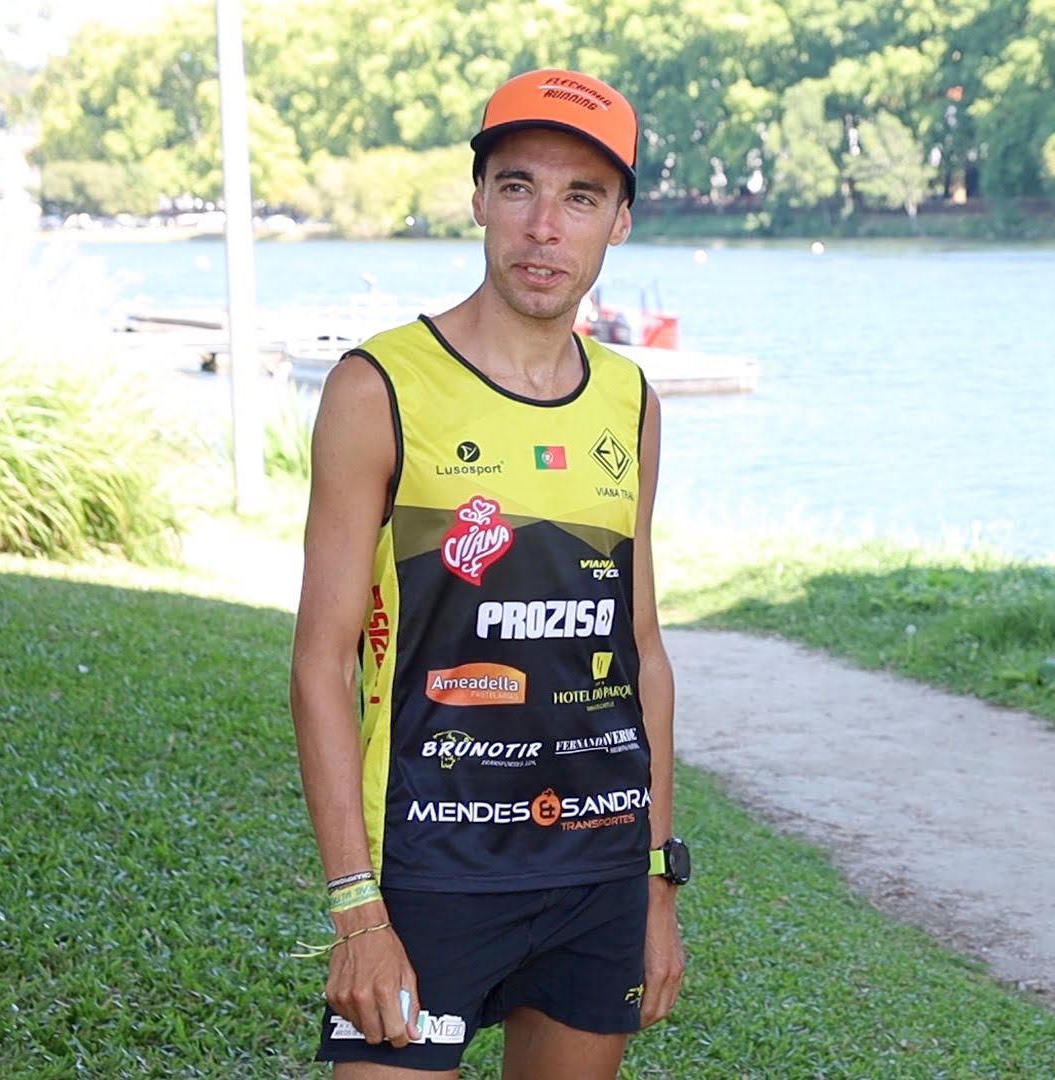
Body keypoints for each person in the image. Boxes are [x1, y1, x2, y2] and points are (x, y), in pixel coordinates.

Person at [288, 67, 687, 1079]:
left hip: (598, 867)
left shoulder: (631, 400)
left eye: (581, 197)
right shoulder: (378, 386)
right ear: (478, 198)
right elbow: (322, 663)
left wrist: (655, 880)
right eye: (518, 187)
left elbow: (640, 648)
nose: (544, 227)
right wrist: (357, 909)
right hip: (429, 865)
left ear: (621, 221)